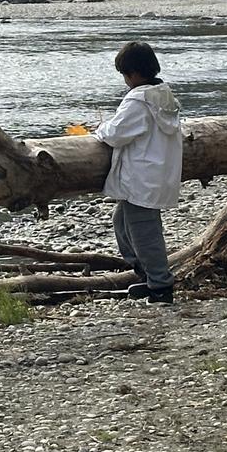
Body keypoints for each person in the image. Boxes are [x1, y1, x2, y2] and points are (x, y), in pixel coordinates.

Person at [95, 40, 184, 304]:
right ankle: (146, 274)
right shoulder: (165, 95)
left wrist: (100, 128)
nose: (125, 80)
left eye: (124, 75)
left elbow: (115, 134)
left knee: (145, 233)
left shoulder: (138, 100)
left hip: (141, 177)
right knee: (121, 222)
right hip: (157, 173)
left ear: (133, 74)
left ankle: (160, 285)